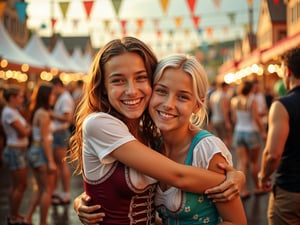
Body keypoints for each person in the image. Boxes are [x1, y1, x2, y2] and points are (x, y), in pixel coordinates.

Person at [67, 37, 245, 225]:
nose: (132, 90)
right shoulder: (99, 124)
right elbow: (178, 176)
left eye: (140, 78)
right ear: (103, 87)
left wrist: (236, 177)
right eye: (118, 80)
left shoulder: (150, 138)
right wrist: (232, 178)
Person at [149, 54, 246, 224]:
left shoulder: (206, 150)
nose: (168, 104)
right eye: (161, 91)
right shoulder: (151, 144)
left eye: (182, 97)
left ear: (197, 105)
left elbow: (237, 222)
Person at [259, 47, 300, 225]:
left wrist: (263, 175)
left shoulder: (282, 105)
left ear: (287, 70)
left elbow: (272, 154)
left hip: (291, 190)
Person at [23, 84, 57, 225]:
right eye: (52, 94)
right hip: (42, 152)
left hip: (36, 151)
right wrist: (50, 160)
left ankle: (28, 218)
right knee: (47, 190)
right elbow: (44, 139)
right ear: (46, 96)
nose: (54, 97)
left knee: (40, 188)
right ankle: (43, 222)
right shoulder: (43, 114)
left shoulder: (40, 111)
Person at [230, 80, 267, 199]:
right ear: (250, 89)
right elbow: (256, 118)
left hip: (238, 132)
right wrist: (263, 131)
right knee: (254, 162)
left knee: (242, 162)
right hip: (251, 132)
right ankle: (257, 187)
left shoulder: (234, 101)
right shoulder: (252, 100)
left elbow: (234, 119)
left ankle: (243, 190)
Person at [1, 85, 31, 225]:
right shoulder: (10, 113)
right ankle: (13, 217)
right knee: (20, 185)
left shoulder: (13, 111)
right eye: (20, 97)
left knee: (16, 185)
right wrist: (29, 128)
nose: (22, 99)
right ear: (12, 98)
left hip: (17, 150)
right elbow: (23, 132)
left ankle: (14, 214)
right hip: (15, 151)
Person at [50, 76, 75, 205]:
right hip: (58, 132)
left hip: (60, 132)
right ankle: (59, 192)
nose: (52, 91)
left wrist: (50, 113)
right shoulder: (63, 97)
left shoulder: (65, 98)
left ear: (58, 85)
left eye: (53, 88)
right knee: (59, 164)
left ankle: (65, 193)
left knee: (62, 164)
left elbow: (68, 118)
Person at [209, 81, 232, 148]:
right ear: (224, 87)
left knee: (218, 139)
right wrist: (227, 122)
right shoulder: (223, 96)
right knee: (226, 139)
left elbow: (210, 107)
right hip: (222, 120)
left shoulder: (213, 95)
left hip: (214, 119)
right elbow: (224, 110)